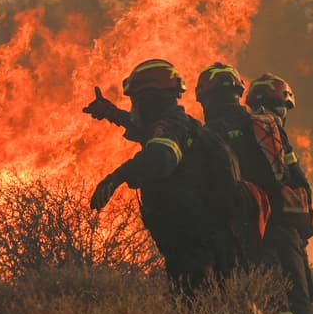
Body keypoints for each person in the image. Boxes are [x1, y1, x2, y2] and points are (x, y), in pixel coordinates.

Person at [87, 59, 239, 294]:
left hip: (193, 244)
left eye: (136, 100)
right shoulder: (180, 124)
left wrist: (117, 176)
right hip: (204, 239)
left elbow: (160, 159)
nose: (134, 107)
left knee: (194, 309)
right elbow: (144, 129)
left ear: (150, 99)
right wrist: (110, 112)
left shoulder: (171, 128)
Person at [199, 64, 313, 314]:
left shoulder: (209, 133)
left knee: (274, 306)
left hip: (252, 229)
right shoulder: (267, 129)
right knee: (303, 308)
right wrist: (302, 230)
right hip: (287, 229)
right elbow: (300, 183)